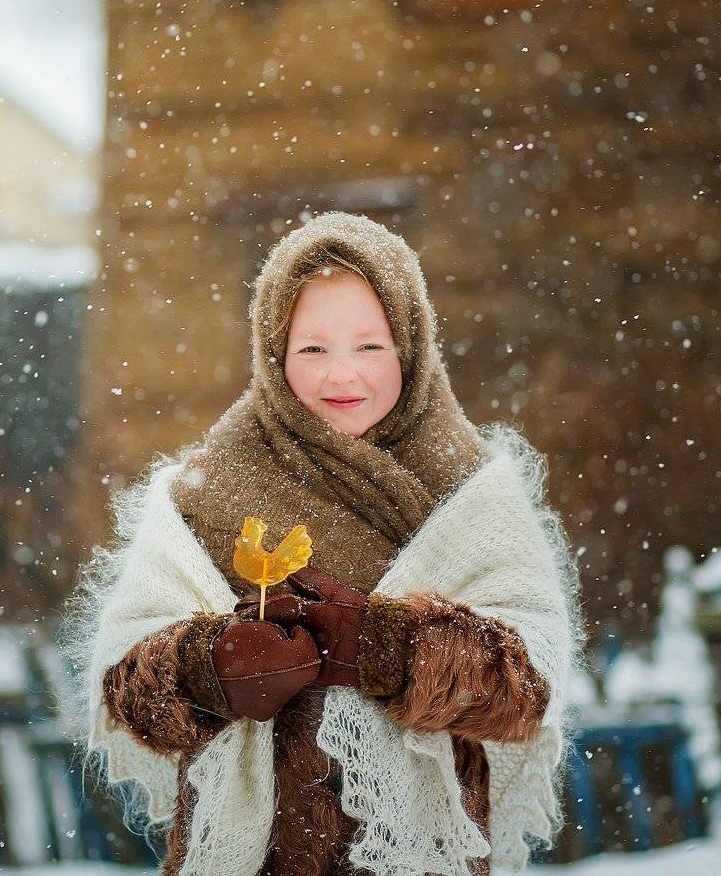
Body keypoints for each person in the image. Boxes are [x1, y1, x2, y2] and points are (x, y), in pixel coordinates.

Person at [66, 212, 584, 876]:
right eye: (313, 349)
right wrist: (209, 668)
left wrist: (389, 648)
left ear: (412, 344)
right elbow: (125, 687)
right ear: (274, 353)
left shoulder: (471, 491)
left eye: (370, 346)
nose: (343, 376)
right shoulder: (206, 489)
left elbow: (530, 685)